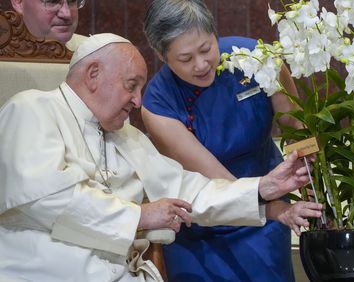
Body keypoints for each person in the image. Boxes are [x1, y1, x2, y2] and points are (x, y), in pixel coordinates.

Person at [0, 33, 323, 282]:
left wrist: (261, 188)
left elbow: (186, 189)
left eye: (140, 88)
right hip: (42, 272)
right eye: (131, 86)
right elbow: (48, 197)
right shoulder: (31, 108)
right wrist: (140, 217)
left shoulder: (127, 137)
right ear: (93, 74)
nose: (138, 101)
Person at [142, 0, 306, 281]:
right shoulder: (158, 104)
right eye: (185, 59)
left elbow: (296, 126)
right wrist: (277, 209)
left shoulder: (256, 57)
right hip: (201, 225)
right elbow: (217, 179)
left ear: (215, 33)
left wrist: (311, 176)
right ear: (161, 55)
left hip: (265, 221)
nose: (201, 64)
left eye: (206, 49)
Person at [10, 0, 85, 48]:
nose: (67, 14)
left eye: (72, 1)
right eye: (52, 2)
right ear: (19, 3)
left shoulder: (92, 51)